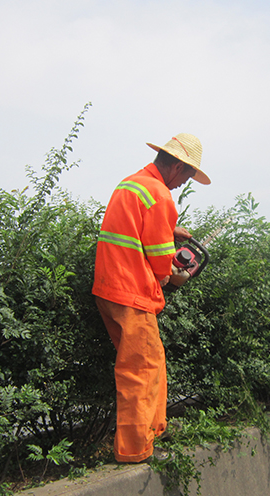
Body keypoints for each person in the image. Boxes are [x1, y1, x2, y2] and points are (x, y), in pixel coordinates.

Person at [92, 133, 211, 463]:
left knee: (150, 361)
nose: (181, 186)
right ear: (176, 167)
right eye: (186, 178)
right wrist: (179, 276)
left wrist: (170, 230)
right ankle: (135, 451)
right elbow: (162, 261)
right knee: (139, 371)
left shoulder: (131, 184)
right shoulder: (159, 194)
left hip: (109, 288)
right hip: (132, 293)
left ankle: (153, 430)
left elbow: (132, 231)